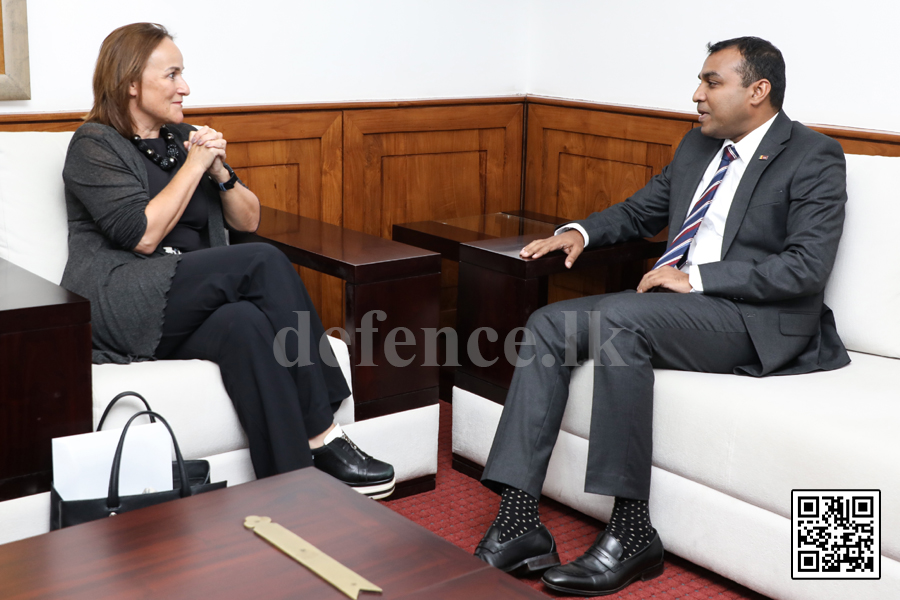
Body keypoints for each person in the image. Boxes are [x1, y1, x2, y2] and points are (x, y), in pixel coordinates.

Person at [473, 36, 849, 596]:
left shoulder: (814, 155)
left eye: (711, 82)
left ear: (758, 90)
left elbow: (805, 268)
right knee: (551, 322)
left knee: (623, 319)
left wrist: (695, 278)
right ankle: (519, 520)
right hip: (681, 311)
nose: (696, 95)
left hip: (753, 319)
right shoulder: (698, 148)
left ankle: (630, 530)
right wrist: (577, 232)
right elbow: (641, 210)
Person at [62, 23, 395, 499]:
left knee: (244, 324)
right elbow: (140, 235)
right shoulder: (93, 144)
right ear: (130, 82)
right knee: (261, 262)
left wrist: (219, 172)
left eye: (184, 73)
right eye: (172, 74)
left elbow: (250, 219)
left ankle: (294, 489)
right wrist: (195, 166)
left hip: (189, 297)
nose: (185, 87)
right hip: (124, 298)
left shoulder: (182, 140)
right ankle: (324, 431)